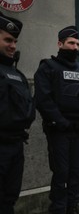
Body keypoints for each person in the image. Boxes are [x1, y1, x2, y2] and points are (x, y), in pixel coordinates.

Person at [34, 26, 79, 214]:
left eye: (77, 44)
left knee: (76, 172)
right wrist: (61, 122)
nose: (75, 47)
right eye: (71, 43)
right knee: (61, 172)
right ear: (60, 44)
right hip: (59, 131)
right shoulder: (48, 68)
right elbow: (44, 100)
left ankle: (72, 206)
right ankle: (59, 208)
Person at [0, 12, 35, 214]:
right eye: (7, 40)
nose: (13, 45)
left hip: (16, 146)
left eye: (15, 41)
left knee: (9, 198)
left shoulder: (17, 74)